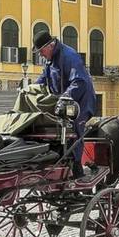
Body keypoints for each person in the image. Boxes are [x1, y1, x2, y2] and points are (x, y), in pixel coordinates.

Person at [32, 30, 96, 178]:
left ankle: (76, 167)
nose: (40, 55)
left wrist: (65, 97)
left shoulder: (69, 55)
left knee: (73, 129)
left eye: (41, 51)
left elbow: (79, 81)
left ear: (50, 46)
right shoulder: (50, 58)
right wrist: (31, 89)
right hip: (61, 102)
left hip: (80, 102)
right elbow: (43, 78)